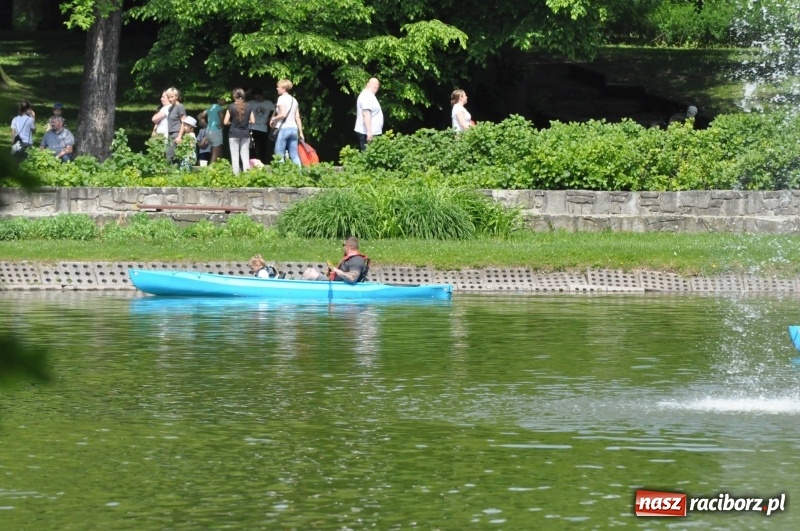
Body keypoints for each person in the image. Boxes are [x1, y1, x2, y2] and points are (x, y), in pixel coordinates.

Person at [302, 237, 370, 284]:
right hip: (335, 282)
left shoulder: (356, 260)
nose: (343, 247)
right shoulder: (351, 259)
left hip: (338, 285)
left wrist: (336, 270)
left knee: (310, 274)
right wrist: (331, 271)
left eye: (343, 245)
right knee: (310, 270)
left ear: (347, 247)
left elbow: (352, 278)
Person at [269, 79, 304, 166]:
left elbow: (283, 114)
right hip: (294, 129)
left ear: (284, 88)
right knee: (294, 155)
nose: (277, 88)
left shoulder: (281, 99)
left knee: (279, 155)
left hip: (284, 129)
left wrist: (273, 119)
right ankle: (299, 175)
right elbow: (297, 117)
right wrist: (301, 133)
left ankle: (280, 176)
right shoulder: (294, 100)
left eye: (278, 87)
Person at [224, 87, 254, 174]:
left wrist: (232, 122)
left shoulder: (231, 106)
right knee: (245, 155)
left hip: (233, 133)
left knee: (235, 156)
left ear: (234, 96)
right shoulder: (249, 106)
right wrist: (246, 121)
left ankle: (236, 175)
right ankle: (247, 175)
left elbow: (225, 122)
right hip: (245, 133)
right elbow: (253, 121)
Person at [248, 87, 275, 164]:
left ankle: (262, 162)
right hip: (252, 127)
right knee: (252, 147)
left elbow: (275, 111)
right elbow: (241, 102)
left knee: (263, 147)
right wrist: (247, 92)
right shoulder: (251, 103)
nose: (257, 98)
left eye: (258, 96)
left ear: (261, 95)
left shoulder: (268, 103)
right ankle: (252, 163)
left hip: (263, 128)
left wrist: (270, 118)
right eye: (255, 96)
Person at [354, 77, 383, 151]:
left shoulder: (368, 95)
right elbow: (366, 114)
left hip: (369, 133)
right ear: (376, 87)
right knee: (368, 158)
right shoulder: (367, 96)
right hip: (367, 134)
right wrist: (369, 133)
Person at [198, 96, 226, 163]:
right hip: (216, 132)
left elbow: (199, 116)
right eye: (223, 99)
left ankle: (221, 165)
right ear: (218, 100)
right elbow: (221, 116)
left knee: (220, 152)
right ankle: (211, 170)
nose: (225, 101)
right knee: (215, 155)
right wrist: (221, 124)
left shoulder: (210, 108)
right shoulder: (219, 108)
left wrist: (206, 125)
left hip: (208, 132)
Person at [165, 87, 186, 161]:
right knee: (171, 156)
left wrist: (179, 136)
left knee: (169, 156)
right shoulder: (170, 108)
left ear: (176, 97)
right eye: (168, 97)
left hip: (176, 134)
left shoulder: (180, 107)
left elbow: (184, 122)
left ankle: (170, 172)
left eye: (172, 97)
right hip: (170, 135)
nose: (170, 99)